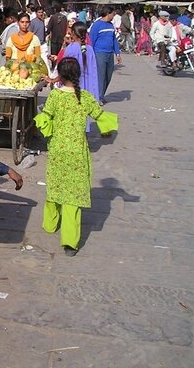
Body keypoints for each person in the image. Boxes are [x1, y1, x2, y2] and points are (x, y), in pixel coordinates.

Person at [34, 57, 118, 256]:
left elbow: (45, 118)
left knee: (55, 185)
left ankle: (50, 224)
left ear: (60, 76)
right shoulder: (85, 97)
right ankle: (70, 242)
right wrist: (108, 131)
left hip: (57, 149)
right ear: (78, 75)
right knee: (72, 195)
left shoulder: (54, 97)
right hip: (77, 151)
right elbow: (100, 117)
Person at [49, 22, 99, 131]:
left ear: (73, 34)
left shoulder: (71, 49)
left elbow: (64, 70)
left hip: (72, 88)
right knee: (81, 118)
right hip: (87, 89)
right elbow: (94, 73)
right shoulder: (89, 50)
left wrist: (54, 80)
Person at [88, 6, 122, 103]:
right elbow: (91, 40)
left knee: (108, 76)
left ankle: (101, 95)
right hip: (99, 53)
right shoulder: (97, 25)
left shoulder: (111, 25)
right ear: (108, 13)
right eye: (113, 14)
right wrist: (91, 55)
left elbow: (114, 40)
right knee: (100, 76)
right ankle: (97, 98)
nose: (114, 15)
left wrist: (117, 53)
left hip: (109, 53)